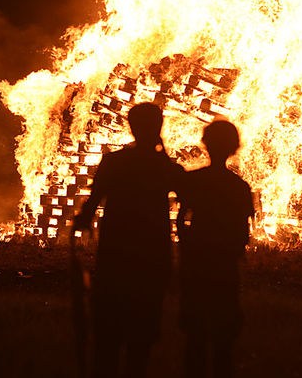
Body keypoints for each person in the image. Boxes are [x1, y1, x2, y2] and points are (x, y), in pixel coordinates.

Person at [74, 102, 182, 378]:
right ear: (159, 128)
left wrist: (81, 226)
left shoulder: (115, 162)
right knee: (141, 339)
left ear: (131, 127)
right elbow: (185, 190)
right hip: (151, 258)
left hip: (115, 256)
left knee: (107, 335)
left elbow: (91, 204)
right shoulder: (164, 167)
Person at [177, 120, 254, 378]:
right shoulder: (240, 188)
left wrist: (186, 245)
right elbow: (244, 231)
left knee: (195, 336)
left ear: (206, 145)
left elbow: (181, 217)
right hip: (224, 266)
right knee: (224, 337)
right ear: (234, 148)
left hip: (197, 263)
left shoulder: (194, 181)